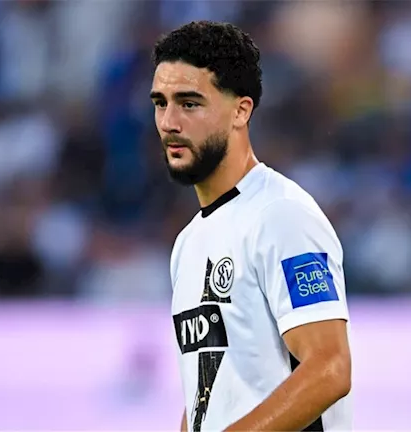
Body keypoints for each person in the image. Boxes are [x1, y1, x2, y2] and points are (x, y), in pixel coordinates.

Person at [150, 21, 353, 432]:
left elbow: (330, 368)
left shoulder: (281, 215)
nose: (169, 121)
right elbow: (207, 396)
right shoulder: (188, 242)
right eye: (160, 103)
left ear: (241, 111)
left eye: (189, 103)